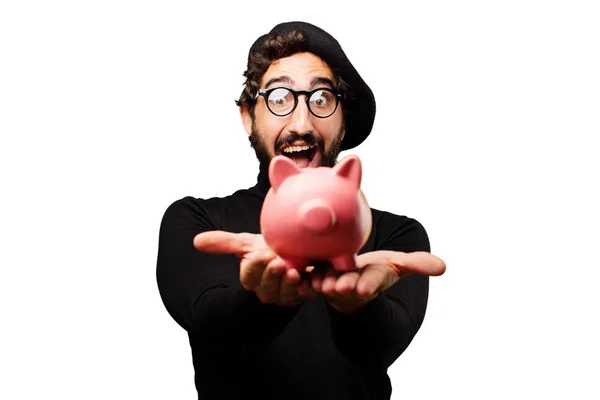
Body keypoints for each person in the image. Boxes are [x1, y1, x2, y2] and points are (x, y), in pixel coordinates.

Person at [156, 21, 446, 400]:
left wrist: (357, 306)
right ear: (248, 115)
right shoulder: (200, 222)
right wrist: (265, 299)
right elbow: (212, 324)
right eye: (279, 98)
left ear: (344, 120)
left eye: (322, 99)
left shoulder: (396, 237)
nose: (301, 123)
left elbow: (383, 344)